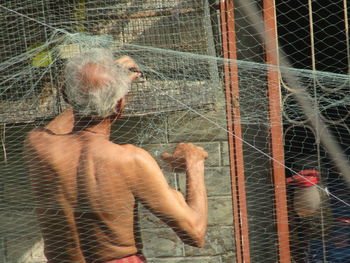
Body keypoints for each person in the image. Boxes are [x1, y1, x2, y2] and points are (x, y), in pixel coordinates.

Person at [24, 49, 208, 263]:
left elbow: (64, 119)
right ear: (120, 106)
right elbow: (195, 233)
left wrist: (92, 89)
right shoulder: (131, 160)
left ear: (66, 95)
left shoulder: (38, 146)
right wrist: (194, 163)